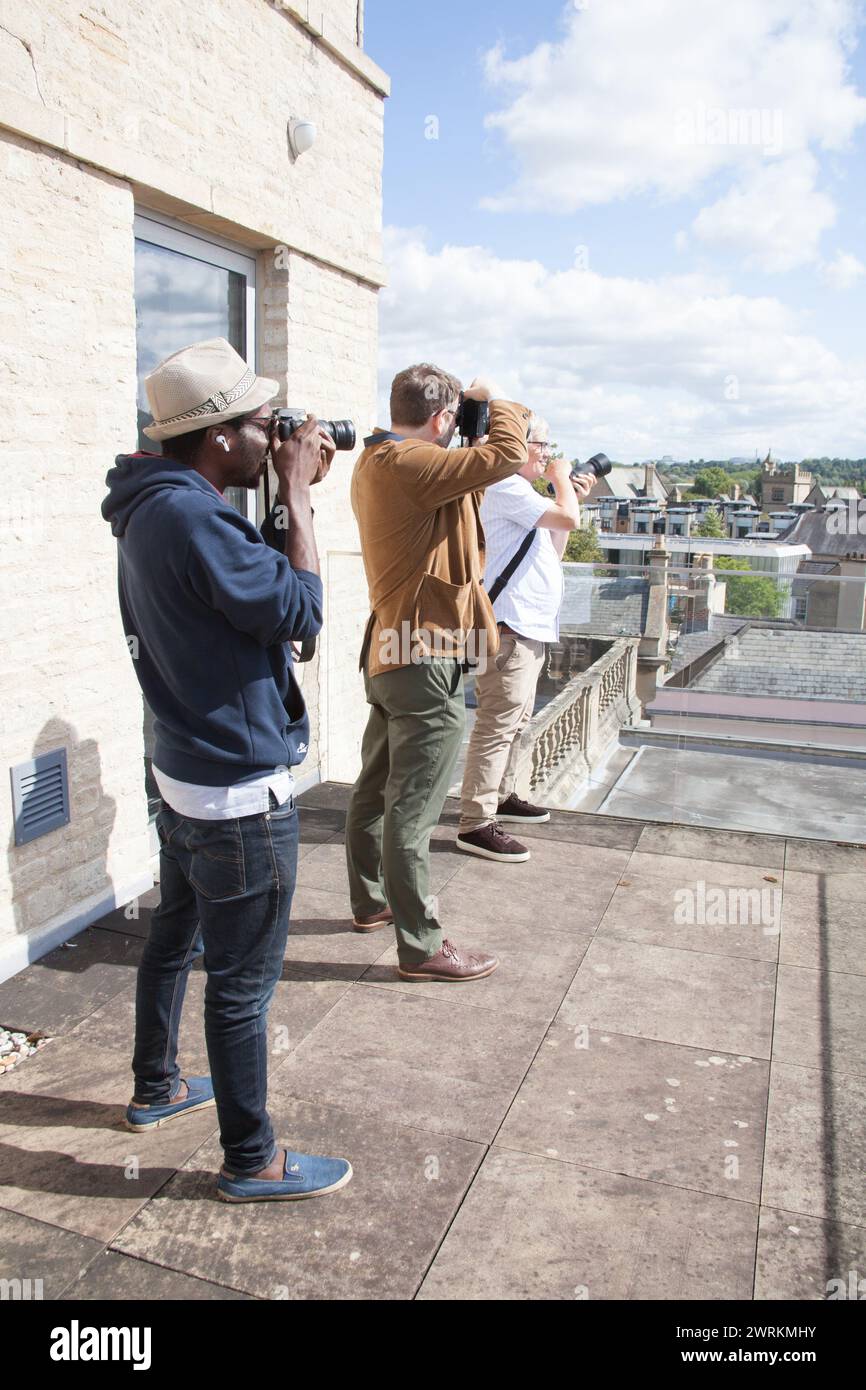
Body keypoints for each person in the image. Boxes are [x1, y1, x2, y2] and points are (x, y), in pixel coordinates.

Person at [102, 337, 351, 1204]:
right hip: (237, 794)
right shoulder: (199, 517)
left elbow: (255, 606)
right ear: (217, 438)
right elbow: (304, 612)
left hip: (179, 771)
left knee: (175, 934)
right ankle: (252, 1160)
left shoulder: (148, 505)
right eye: (260, 424)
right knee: (242, 988)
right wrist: (296, 493)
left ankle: (157, 1083)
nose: (273, 435)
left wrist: (282, 488)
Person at [344, 363, 532, 981]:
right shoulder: (411, 465)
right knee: (414, 806)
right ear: (441, 418)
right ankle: (421, 945)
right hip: (424, 655)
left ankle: (372, 904)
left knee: (375, 787)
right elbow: (506, 453)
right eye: (454, 419)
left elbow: (470, 481)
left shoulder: (381, 460)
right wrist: (497, 396)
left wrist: (467, 421)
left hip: (391, 650)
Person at [456, 416, 593, 861]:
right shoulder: (504, 487)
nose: (547, 453)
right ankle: (475, 822)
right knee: (497, 726)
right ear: (515, 445)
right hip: (508, 631)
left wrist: (565, 492)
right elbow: (569, 518)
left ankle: (502, 795)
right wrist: (561, 484)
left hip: (527, 628)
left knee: (516, 723)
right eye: (541, 444)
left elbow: (551, 550)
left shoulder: (519, 495)